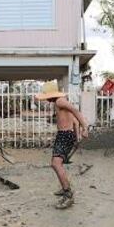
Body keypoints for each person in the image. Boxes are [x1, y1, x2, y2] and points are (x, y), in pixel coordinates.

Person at [36, 81, 88, 209]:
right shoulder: (60, 101)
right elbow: (73, 120)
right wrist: (76, 136)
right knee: (56, 163)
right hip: (64, 135)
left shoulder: (60, 101)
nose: (47, 99)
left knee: (56, 164)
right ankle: (65, 187)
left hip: (65, 135)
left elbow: (76, 111)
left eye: (47, 96)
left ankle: (68, 194)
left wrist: (85, 128)